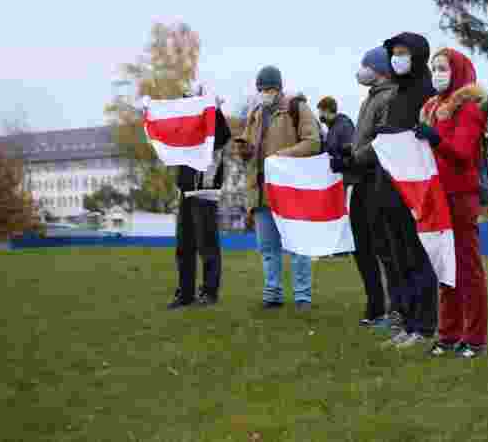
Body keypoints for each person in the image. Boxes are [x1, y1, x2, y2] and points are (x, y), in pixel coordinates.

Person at [345, 32, 438, 349]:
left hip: (415, 187)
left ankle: (425, 324)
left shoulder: (426, 93)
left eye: (403, 52)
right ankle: (409, 321)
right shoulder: (398, 93)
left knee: (417, 256)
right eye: (394, 52)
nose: (397, 58)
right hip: (389, 186)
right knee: (399, 257)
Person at [414, 48, 488, 359]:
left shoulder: (469, 109)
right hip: (437, 196)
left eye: (442, 67)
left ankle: (474, 338)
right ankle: (449, 334)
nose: (437, 73)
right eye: (434, 67)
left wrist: (435, 140)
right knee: (445, 266)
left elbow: (462, 153)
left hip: (460, 196)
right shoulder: (431, 108)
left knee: (468, 267)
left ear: (456, 70)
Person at [237, 65, 322, 310]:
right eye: (261, 89)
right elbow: (251, 150)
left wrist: (281, 156)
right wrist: (245, 151)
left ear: (279, 88)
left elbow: (313, 142)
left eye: (269, 88)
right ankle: (272, 294)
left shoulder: (297, 108)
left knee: (298, 247)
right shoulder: (255, 113)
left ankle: (302, 297)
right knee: (268, 249)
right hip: (262, 191)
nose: (265, 93)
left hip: (291, 191)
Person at [334, 48, 400, 329]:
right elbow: (363, 140)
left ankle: (393, 309)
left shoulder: (389, 97)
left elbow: (381, 143)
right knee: (362, 248)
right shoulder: (369, 100)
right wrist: (347, 151)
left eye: (366, 65)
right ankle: (375, 307)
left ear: (379, 69)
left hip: (377, 180)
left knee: (383, 248)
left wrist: (353, 157)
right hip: (361, 181)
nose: (361, 70)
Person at [168, 87, 232, 309]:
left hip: (205, 190)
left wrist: (215, 109)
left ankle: (209, 292)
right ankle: (185, 293)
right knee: (184, 245)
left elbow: (224, 136)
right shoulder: (184, 125)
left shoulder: (214, 121)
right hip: (186, 189)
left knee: (207, 244)